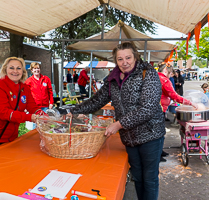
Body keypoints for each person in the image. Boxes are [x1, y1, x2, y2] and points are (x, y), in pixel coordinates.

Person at [67, 42, 165, 200]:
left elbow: (147, 109)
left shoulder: (148, 74)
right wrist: (72, 111)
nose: (124, 62)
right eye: (120, 59)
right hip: (129, 138)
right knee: (138, 178)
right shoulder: (113, 79)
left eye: (128, 57)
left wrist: (119, 124)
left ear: (135, 56)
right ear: (116, 60)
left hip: (150, 135)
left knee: (150, 179)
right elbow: (96, 101)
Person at [157, 62, 195, 162]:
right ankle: (157, 154)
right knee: (159, 133)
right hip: (159, 109)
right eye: (170, 73)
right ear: (165, 70)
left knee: (159, 132)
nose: (171, 76)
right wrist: (189, 102)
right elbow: (174, 96)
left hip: (157, 108)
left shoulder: (155, 77)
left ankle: (160, 151)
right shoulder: (164, 80)